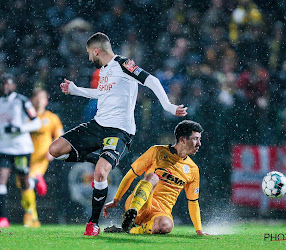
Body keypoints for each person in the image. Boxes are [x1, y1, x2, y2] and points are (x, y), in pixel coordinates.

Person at [48, 32, 187, 236]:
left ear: (96, 50)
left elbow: (152, 80)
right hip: (97, 125)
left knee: (101, 173)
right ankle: (97, 158)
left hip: (119, 130)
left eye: (89, 53)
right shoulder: (105, 71)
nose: (89, 58)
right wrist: (76, 90)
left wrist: (168, 106)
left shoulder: (124, 64)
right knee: (55, 149)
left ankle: (93, 223)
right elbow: (102, 94)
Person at [103, 120, 208, 236]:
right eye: (195, 139)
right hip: (140, 202)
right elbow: (131, 175)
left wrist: (199, 230)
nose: (199, 143)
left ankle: (128, 230)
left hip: (160, 213)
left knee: (166, 226)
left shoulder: (193, 169)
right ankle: (131, 214)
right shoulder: (157, 151)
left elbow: (193, 201)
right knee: (153, 177)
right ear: (183, 140)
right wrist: (116, 199)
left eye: (199, 139)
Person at [0, 74, 41, 228]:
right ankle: (3, 218)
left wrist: (20, 128)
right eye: (2, 84)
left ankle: (33, 182)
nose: (5, 87)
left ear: (13, 86)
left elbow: (36, 122)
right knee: (1, 181)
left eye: (7, 84)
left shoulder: (22, 101)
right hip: (3, 148)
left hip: (21, 149)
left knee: (23, 182)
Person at [20, 88, 64, 227]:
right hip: (24, 156)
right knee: (24, 187)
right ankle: (31, 215)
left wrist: (53, 152)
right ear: (32, 100)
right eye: (37, 98)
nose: (39, 101)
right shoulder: (25, 116)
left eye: (42, 98)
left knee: (28, 182)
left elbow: (59, 136)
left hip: (40, 158)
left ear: (46, 100)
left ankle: (31, 217)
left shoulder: (51, 118)